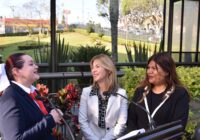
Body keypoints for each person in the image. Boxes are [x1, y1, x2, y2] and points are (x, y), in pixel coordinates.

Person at [0, 53, 63, 140]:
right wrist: (50, 120)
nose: (36, 67)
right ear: (16, 71)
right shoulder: (10, 98)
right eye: (31, 64)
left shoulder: (33, 92)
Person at [126, 52, 190, 134]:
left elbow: (178, 126)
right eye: (148, 68)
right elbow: (131, 120)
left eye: (154, 68)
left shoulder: (179, 94)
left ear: (166, 71)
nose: (149, 71)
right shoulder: (140, 91)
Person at [79, 54, 128, 140]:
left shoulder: (121, 94)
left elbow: (121, 124)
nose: (93, 70)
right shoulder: (86, 92)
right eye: (92, 68)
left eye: (97, 67)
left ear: (108, 70)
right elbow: (82, 121)